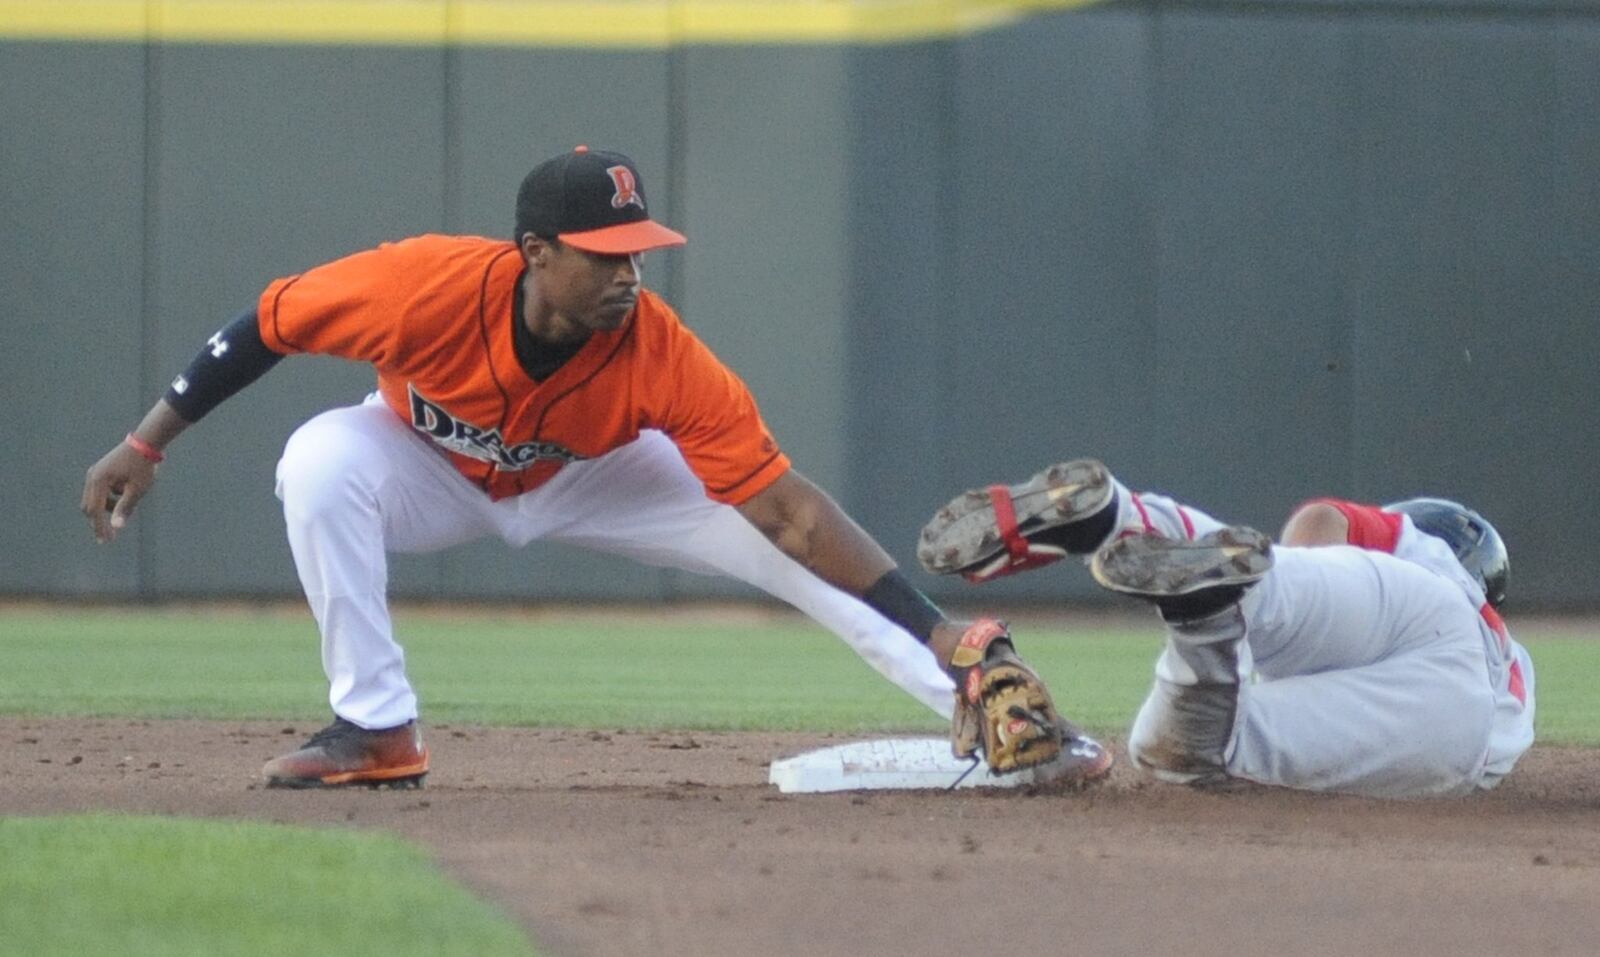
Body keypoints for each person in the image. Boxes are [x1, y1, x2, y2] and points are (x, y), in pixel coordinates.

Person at [81, 146, 1109, 788]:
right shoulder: (421, 288)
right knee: (316, 461)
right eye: (604, 252)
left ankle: (994, 724)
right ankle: (377, 730)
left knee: (772, 538)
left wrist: (943, 628)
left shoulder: (658, 349)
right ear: (535, 252)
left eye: (637, 249)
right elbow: (263, 325)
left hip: (601, 476)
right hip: (426, 466)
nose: (628, 271)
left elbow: (792, 513)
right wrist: (145, 441)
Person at [918, 458, 1534, 798]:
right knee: (1185, 749)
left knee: (1275, 586)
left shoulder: (1411, 547)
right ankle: (1202, 621)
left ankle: (1120, 517)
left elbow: (1321, 520)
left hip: (1386, 595)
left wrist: (1284, 607)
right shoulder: (1503, 644)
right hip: (1460, 712)